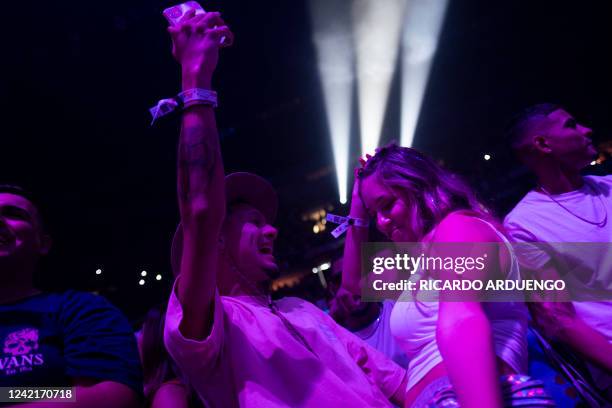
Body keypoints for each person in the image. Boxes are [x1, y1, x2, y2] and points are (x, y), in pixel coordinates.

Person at [160, 10, 407, 407]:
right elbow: (201, 213)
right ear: (218, 242)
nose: (272, 230)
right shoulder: (213, 327)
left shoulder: (303, 310)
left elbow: (394, 382)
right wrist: (195, 81)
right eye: (255, 223)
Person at [342, 144, 553, 407]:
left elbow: (461, 319)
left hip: (459, 397)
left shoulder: (458, 227)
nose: (382, 222)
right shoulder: (420, 262)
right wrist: (357, 204)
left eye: (387, 205)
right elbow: (353, 287)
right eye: (375, 214)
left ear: (417, 187)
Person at [504, 103, 612, 399]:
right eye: (571, 125)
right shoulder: (523, 224)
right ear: (542, 144)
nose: (586, 130)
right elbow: (558, 318)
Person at [0, 185, 142, 407]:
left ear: (43, 244)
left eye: (13, 214)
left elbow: (110, 395)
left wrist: (8, 395)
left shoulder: (80, 309)